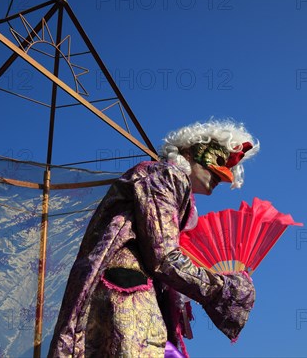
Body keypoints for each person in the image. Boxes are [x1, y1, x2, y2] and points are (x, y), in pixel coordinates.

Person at [48, 119, 259, 357]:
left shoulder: (173, 188)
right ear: (189, 150)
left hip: (123, 294)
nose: (225, 175)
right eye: (219, 160)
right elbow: (165, 257)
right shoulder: (165, 175)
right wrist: (223, 288)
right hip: (125, 296)